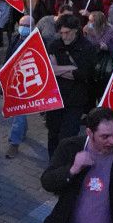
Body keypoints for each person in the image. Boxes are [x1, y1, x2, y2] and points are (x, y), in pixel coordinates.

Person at [45, 14, 99, 156]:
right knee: (53, 134)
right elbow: (50, 71)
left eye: (67, 32)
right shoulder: (54, 45)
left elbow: (84, 74)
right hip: (55, 98)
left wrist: (59, 69)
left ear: (76, 30)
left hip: (76, 100)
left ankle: (66, 164)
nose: (64, 36)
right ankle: (53, 163)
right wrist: (71, 69)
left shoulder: (87, 48)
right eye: (61, 33)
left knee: (68, 136)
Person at [4, 16, 34, 158]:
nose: (22, 27)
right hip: (14, 80)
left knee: (19, 112)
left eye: (26, 25)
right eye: (21, 24)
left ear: (33, 26)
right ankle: (23, 130)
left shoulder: (37, 41)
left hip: (28, 81)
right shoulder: (16, 37)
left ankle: (14, 142)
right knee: (20, 112)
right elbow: (9, 57)